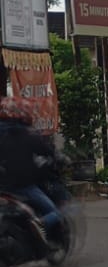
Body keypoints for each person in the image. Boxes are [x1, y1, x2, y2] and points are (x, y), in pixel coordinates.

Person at [0, 98, 64, 237]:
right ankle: (39, 223)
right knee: (57, 212)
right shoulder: (28, 134)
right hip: (24, 186)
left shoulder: (4, 134)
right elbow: (47, 151)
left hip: (4, 186)